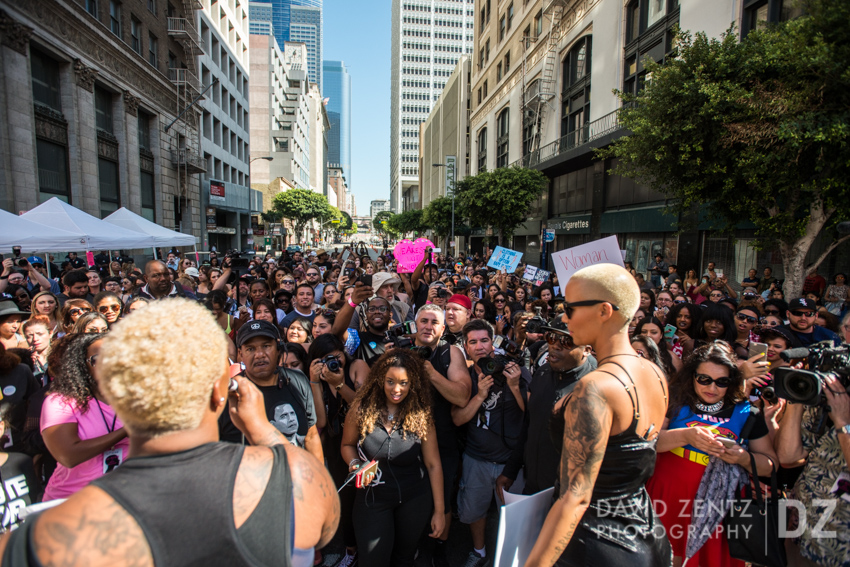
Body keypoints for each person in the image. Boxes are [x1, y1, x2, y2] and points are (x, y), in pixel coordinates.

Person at [0, 298, 339, 566]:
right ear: (221, 391)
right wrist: (262, 429)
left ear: (118, 395)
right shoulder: (290, 477)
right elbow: (325, 521)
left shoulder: (41, 540)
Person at [526, 263, 671, 567]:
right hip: (647, 537)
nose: (564, 318)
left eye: (570, 308)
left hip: (595, 545)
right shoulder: (654, 372)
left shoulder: (595, 388)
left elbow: (575, 498)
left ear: (605, 311)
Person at [646, 344, 777, 567]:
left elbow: (770, 465)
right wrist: (686, 436)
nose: (712, 387)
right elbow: (648, 442)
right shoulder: (674, 400)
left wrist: (743, 458)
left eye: (722, 381)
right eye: (704, 379)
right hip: (667, 496)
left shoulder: (748, 412)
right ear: (692, 376)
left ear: (733, 381)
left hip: (719, 508)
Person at [340, 350, 445, 567]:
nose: (397, 389)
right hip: (372, 498)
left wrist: (439, 511)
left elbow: (433, 465)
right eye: (390, 381)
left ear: (412, 383)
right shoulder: (361, 408)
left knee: (404, 559)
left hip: (414, 499)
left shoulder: (421, 414)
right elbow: (347, 445)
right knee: (372, 561)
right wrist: (355, 464)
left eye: (404, 383)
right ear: (380, 379)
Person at [453, 319, 529, 567]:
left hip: (511, 462)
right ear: (466, 347)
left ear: (493, 343)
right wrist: (480, 396)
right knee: (475, 512)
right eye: (473, 342)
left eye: (484, 340)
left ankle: (510, 558)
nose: (480, 347)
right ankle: (479, 551)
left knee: (515, 517)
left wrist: (515, 386)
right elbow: (457, 418)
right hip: (476, 458)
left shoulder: (513, 369)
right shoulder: (462, 376)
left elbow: (532, 413)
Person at [499, 320, 596, 498]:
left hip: (569, 498)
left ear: (587, 349)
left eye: (566, 341)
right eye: (551, 338)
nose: (555, 347)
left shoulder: (597, 386)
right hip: (533, 488)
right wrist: (510, 470)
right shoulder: (542, 374)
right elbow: (529, 426)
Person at [412, 305, 472, 563]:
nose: (428, 326)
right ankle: (410, 544)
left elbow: (461, 396)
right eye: (423, 321)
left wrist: (432, 374)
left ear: (442, 328)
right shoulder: (402, 349)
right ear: (415, 325)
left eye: (434, 322)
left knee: (443, 499)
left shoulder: (451, 352)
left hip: (444, 441)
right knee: (410, 498)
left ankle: (440, 549)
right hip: (408, 442)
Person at [39, 332, 128, 500]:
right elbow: (68, 456)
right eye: (98, 359)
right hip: (70, 501)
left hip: (124, 499)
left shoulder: (136, 397)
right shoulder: (61, 402)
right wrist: (127, 430)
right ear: (82, 365)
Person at [219, 321, 322, 462]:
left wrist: (318, 478)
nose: (259, 354)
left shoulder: (298, 381)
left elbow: (311, 435)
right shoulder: (230, 395)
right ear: (240, 354)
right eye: (250, 349)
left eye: (266, 346)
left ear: (278, 349)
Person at [22, 316, 51, 386]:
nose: (35, 339)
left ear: (50, 333)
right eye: (30, 336)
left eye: (40, 334)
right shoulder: (24, 360)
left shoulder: (61, 355)